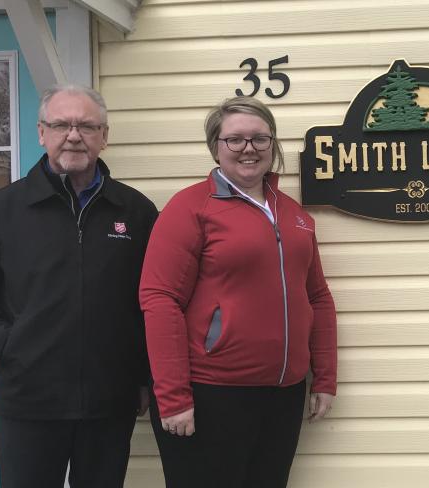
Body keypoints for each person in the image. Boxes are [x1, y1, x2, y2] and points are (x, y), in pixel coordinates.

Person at [0, 84, 158, 488]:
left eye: (87, 126)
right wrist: (6, 345)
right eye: (61, 125)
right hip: (27, 399)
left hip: (109, 401)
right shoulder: (2, 210)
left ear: (104, 136)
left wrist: (143, 376)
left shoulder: (135, 212)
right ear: (42, 133)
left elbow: (153, 299)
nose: (74, 135)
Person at [140, 96, 338, 488]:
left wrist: (325, 378)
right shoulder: (190, 208)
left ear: (273, 145)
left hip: (283, 394)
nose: (249, 148)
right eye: (235, 139)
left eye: (260, 139)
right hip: (212, 393)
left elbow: (317, 297)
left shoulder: (294, 214)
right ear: (216, 146)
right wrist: (174, 398)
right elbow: (160, 300)